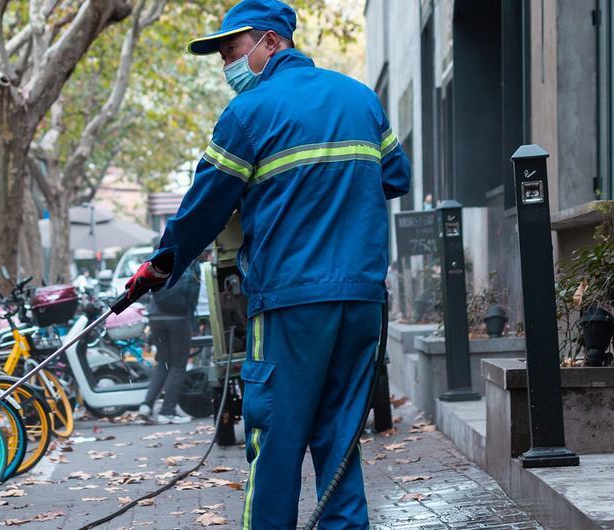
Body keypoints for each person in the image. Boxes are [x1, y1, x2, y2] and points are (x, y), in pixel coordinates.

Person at [124, 1, 411, 528]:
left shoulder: (247, 114)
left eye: (231, 50)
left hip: (289, 304)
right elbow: (396, 177)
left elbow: (203, 209)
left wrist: (160, 266)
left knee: (275, 441)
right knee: (341, 442)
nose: (226, 65)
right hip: (362, 301)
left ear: (271, 41)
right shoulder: (360, 98)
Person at [137, 263, 201, 425]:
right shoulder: (190, 260)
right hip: (178, 318)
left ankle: (146, 405)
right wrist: (192, 318)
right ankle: (167, 411)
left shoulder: (160, 256)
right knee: (179, 364)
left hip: (155, 316)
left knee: (164, 361)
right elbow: (193, 292)